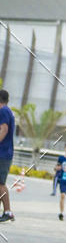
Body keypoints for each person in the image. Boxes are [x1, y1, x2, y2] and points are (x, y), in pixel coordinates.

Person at [0, 89, 15, 223]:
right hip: (5, 152)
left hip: (3, 153)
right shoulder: (7, 111)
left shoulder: (3, 111)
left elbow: (4, 129)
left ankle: (8, 212)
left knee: (0, 184)